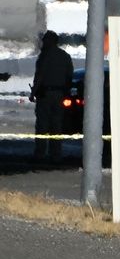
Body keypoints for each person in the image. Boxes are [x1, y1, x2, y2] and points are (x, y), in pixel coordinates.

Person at [31, 30, 75, 161]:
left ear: (49, 41)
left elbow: (40, 76)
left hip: (45, 94)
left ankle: (40, 153)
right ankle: (55, 153)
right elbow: (69, 77)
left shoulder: (44, 56)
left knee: (42, 124)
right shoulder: (65, 56)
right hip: (60, 94)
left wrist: (33, 93)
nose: (43, 42)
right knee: (57, 125)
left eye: (45, 40)